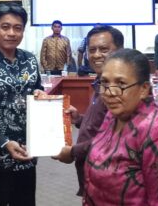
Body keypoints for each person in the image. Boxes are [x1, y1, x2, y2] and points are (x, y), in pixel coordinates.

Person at [83, 49, 158, 205]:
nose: (110, 92)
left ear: (144, 89)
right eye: (105, 83)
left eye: (121, 84)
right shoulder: (113, 115)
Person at [0, 3, 43, 205]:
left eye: (18, 28)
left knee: (25, 200)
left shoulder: (30, 59)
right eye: (5, 27)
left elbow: (37, 90)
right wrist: (3, 142)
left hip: (27, 149)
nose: (11, 33)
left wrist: (42, 94)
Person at [53, 25, 124, 196]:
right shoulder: (101, 80)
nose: (97, 55)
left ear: (120, 50)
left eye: (104, 49)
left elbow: (114, 139)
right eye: (92, 50)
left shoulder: (121, 87)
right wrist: (79, 119)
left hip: (108, 175)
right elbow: (103, 123)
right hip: (90, 171)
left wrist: (72, 151)